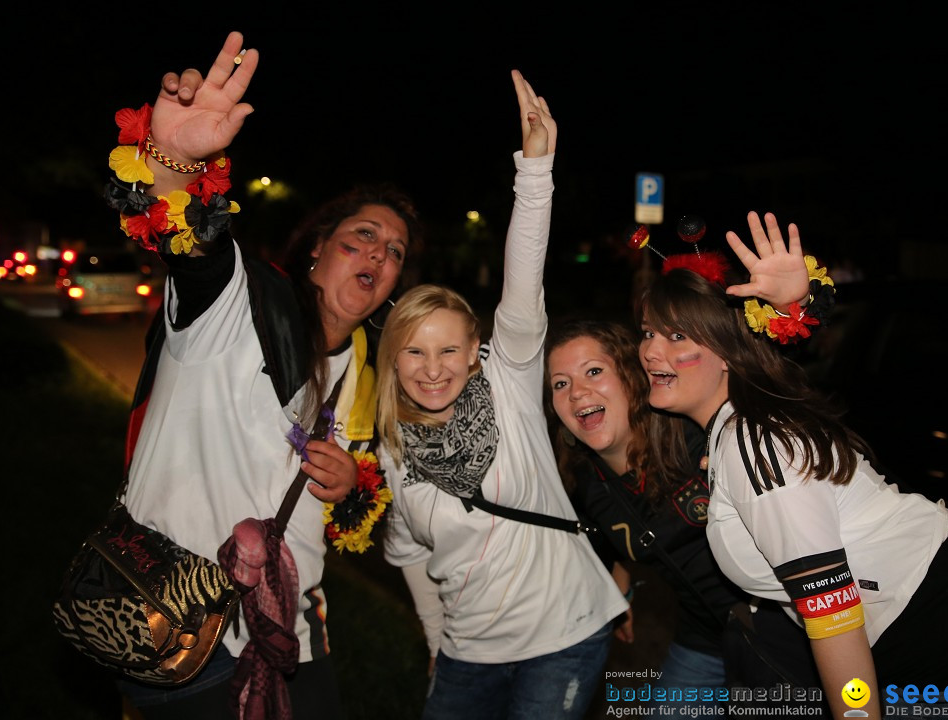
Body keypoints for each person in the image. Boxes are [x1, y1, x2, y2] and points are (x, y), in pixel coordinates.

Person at [637, 211, 948, 716]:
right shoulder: (738, 432)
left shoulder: (755, 438)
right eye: (649, 332)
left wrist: (856, 713)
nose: (651, 350)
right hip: (937, 655)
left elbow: (832, 610)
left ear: (729, 353)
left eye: (676, 337)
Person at [106, 32, 422, 717]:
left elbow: (353, 509)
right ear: (317, 249)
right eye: (363, 234)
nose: (379, 251)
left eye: (394, 250)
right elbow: (192, 244)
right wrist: (174, 162)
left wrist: (348, 487)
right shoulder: (237, 305)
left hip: (297, 640)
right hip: (181, 632)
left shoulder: (367, 373)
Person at [375, 70, 629, 720]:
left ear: (475, 349)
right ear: (393, 359)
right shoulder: (393, 449)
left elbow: (523, 277)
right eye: (415, 350)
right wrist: (436, 646)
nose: (433, 369)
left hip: (564, 632)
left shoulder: (507, 379)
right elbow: (409, 555)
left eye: (449, 349)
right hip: (467, 652)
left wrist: (535, 170)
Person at [544, 319, 823, 715]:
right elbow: (627, 536)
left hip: (785, 630)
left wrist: (792, 309)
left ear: (630, 376)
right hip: (705, 637)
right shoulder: (587, 484)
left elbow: (764, 384)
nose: (577, 392)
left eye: (593, 371)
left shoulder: (691, 434)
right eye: (560, 383)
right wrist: (620, 585)